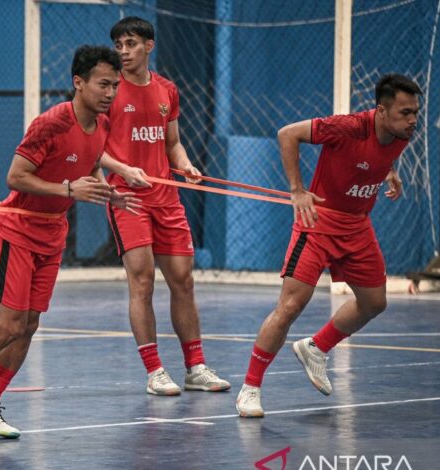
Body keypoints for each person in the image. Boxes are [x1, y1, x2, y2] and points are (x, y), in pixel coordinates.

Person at [0, 45, 139, 439]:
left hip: (53, 233)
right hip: (17, 230)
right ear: (77, 83)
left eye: (115, 85)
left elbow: (88, 168)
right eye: (103, 84)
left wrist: (107, 193)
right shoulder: (50, 123)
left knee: (28, 326)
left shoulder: (102, 127)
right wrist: (67, 188)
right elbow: (15, 177)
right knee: (9, 324)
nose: (110, 93)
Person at [236, 74, 422, 417]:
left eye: (415, 113)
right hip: (318, 222)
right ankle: (251, 387)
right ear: (381, 111)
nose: (412, 120)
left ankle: (316, 348)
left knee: (374, 302)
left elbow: (374, 158)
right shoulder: (347, 127)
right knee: (291, 306)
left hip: (357, 226)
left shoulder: (401, 133)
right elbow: (287, 134)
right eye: (405, 112)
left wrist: (389, 172)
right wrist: (296, 190)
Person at [99, 16, 230, 395]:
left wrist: (184, 164)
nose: (124, 51)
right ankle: (155, 370)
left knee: (183, 282)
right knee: (142, 281)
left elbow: (172, 142)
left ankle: (196, 367)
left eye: (131, 44)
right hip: (127, 196)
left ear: (149, 46)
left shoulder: (167, 90)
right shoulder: (109, 92)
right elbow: (95, 148)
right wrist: (125, 169)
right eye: (119, 45)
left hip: (166, 198)